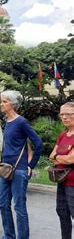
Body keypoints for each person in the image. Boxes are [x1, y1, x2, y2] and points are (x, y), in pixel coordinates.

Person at [0, 90, 43, 238]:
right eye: (1, 101)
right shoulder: (7, 121)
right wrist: (2, 158)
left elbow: (38, 143)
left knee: (19, 207)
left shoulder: (21, 121)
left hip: (19, 170)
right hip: (6, 169)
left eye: (4, 101)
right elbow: (11, 144)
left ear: (13, 104)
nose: (1, 104)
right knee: (3, 204)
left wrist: (31, 165)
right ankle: (8, 235)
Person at [50, 102, 74, 239]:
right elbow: (51, 156)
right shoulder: (63, 135)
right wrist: (62, 157)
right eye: (62, 114)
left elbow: (71, 160)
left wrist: (58, 157)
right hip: (62, 181)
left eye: (68, 114)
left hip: (73, 183)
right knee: (62, 213)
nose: (64, 117)